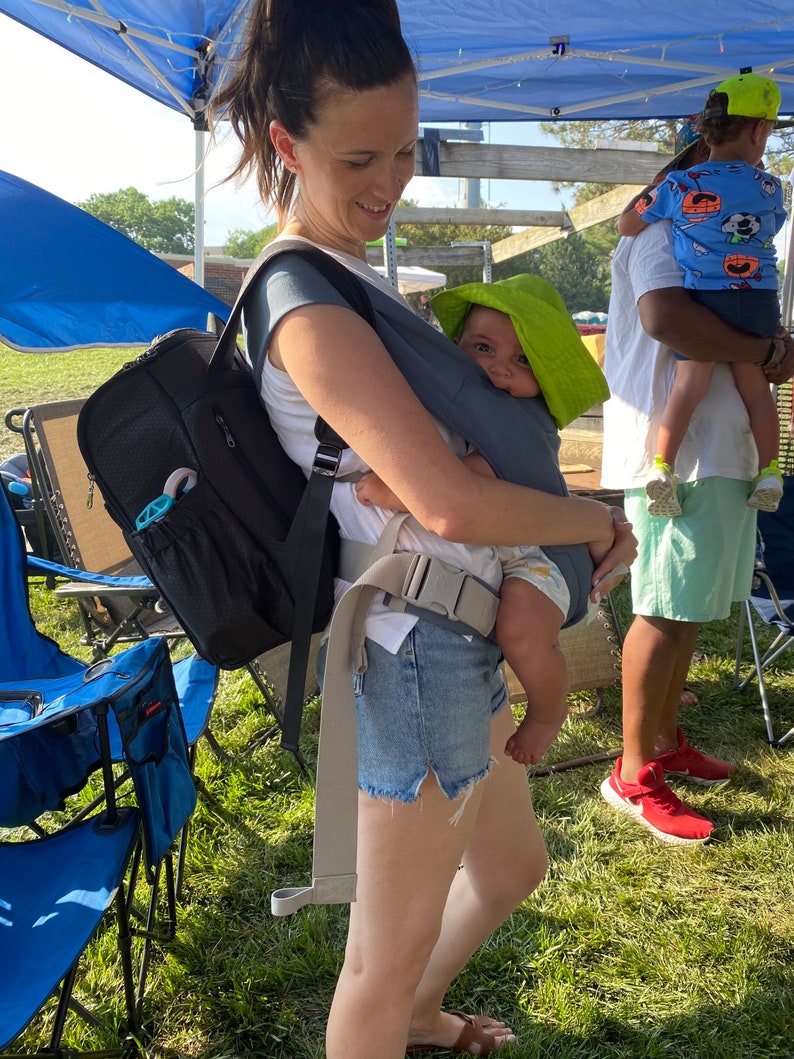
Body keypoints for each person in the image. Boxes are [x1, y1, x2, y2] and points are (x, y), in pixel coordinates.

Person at [210, 3, 636, 1056]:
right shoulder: (304, 297)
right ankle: (396, 1012)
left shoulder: (350, 272)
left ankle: (415, 1018)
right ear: (285, 143)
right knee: (376, 957)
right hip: (420, 648)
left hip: (462, 631)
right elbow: (445, 501)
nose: (388, 181)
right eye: (359, 155)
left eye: (404, 149)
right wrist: (587, 517)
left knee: (509, 869)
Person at [600, 127, 794, 847]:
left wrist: (767, 349)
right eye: (747, 162)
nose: (756, 176)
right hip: (677, 461)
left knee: (686, 609)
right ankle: (632, 774)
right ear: (700, 165)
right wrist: (763, 349)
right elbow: (666, 317)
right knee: (660, 606)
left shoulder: (701, 226)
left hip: (718, 453)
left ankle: (662, 740)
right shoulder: (670, 223)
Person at [354, 274, 610, 767]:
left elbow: (466, 481)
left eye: (522, 361)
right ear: (454, 348)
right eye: (483, 347)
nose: (498, 369)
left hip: (541, 556)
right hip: (507, 547)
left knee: (519, 628)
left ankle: (546, 711)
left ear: (545, 380)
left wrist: (386, 490)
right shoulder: (468, 408)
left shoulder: (521, 421)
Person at [618, 72, 786, 517]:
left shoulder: (677, 187)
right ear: (756, 130)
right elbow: (774, 223)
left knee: (688, 386)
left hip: (704, 297)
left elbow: (626, 224)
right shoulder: (771, 186)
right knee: (757, 392)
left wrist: (660, 197)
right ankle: (770, 471)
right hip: (757, 301)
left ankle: (662, 468)